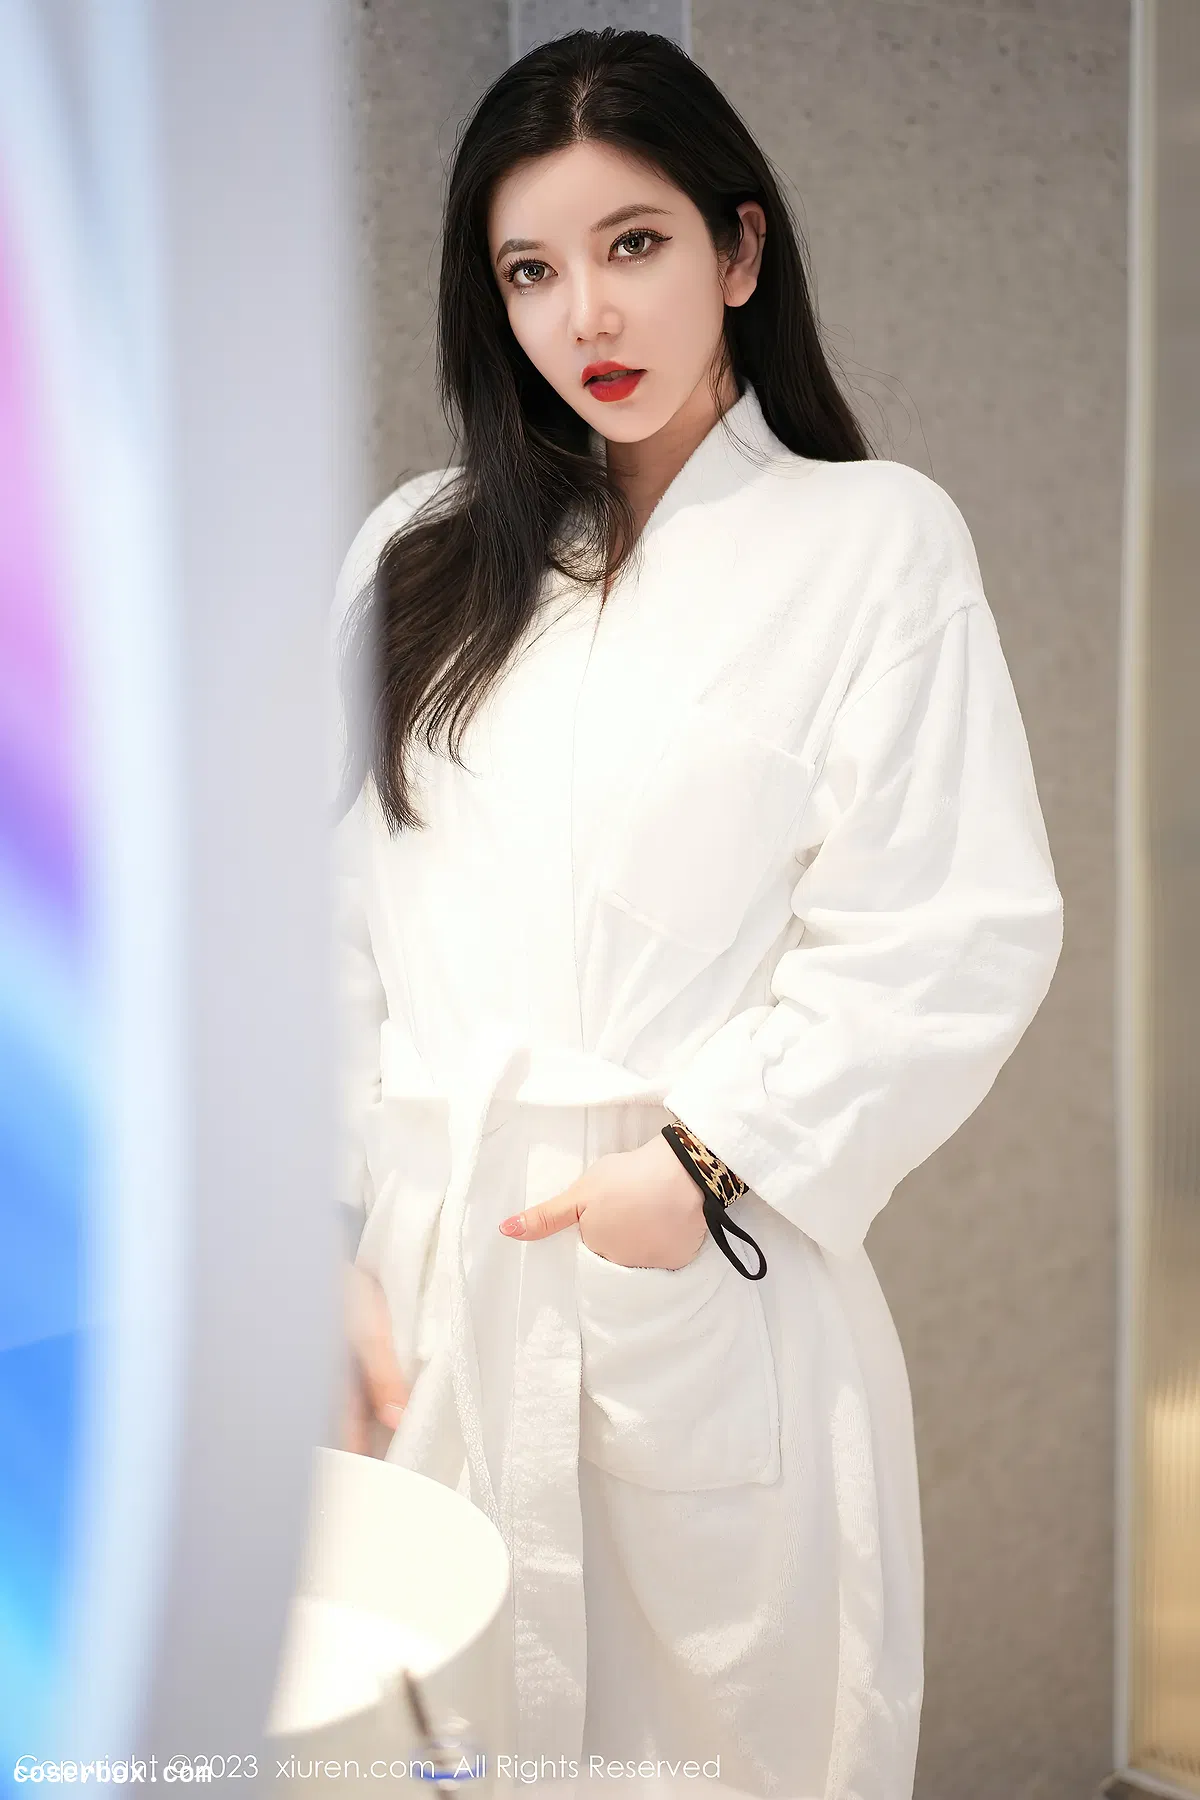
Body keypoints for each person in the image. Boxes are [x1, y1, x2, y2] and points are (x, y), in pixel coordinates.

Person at [331, 28, 1064, 1800]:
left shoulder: (873, 542)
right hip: (422, 1288)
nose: (586, 310)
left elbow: (952, 928)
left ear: (739, 249)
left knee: (713, 1751)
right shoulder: (417, 554)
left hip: (694, 1272)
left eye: (635, 242)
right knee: (411, 1747)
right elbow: (317, 931)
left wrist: (702, 1165)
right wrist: (322, 1232)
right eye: (530, 269)